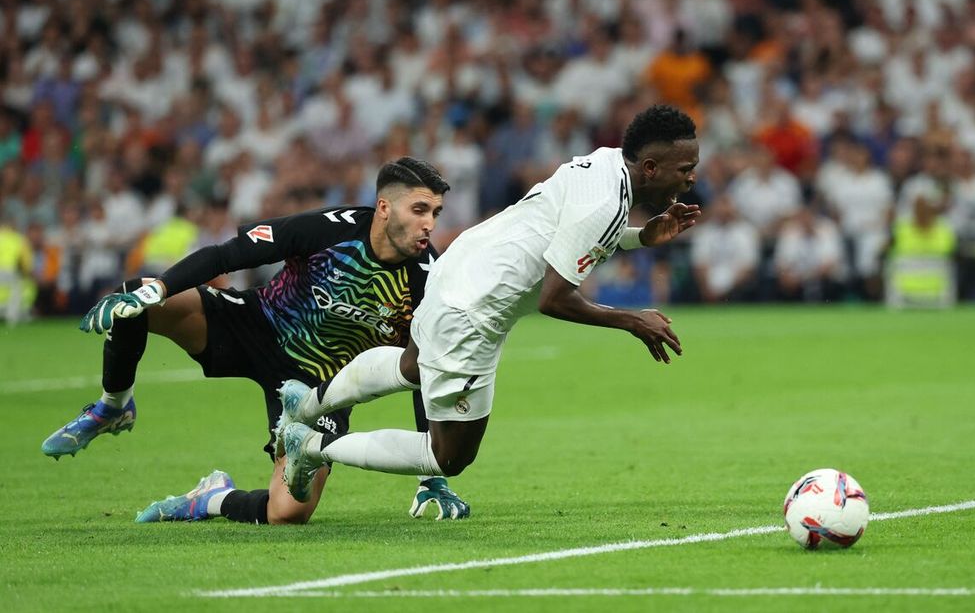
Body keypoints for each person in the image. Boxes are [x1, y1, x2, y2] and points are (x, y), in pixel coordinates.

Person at [275, 105, 702, 501]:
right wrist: (632, 320)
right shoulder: (605, 204)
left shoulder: (606, 162)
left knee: (412, 365)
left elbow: (573, 234)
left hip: (460, 268)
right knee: (448, 456)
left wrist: (642, 237)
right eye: (685, 169)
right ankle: (310, 446)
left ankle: (306, 403)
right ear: (650, 167)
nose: (691, 179)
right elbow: (555, 298)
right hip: (474, 312)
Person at [41, 158, 469, 524]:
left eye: (435, 211)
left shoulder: (426, 280)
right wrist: (159, 289)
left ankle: (209, 498)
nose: (430, 224)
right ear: (383, 208)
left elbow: (423, 367)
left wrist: (431, 475)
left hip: (319, 387)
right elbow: (227, 254)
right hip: (255, 325)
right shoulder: (326, 229)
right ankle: (112, 407)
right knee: (136, 296)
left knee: (288, 513)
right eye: (420, 210)